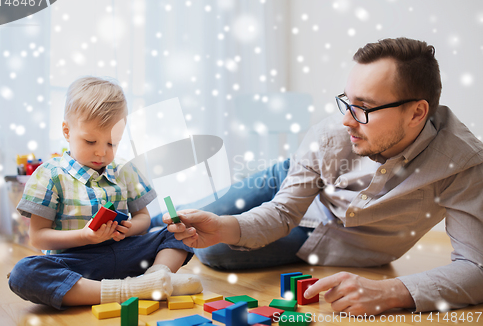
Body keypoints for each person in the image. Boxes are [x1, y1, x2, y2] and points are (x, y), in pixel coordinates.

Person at [161, 38, 483, 315]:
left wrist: (390, 292)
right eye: (347, 101)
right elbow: (283, 212)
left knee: (211, 249)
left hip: (345, 238)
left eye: (363, 107)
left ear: (417, 113)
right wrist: (222, 224)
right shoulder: (332, 135)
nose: (346, 120)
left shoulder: (463, 164)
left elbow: (475, 268)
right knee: (193, 219)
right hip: (296, 180)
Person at [8, 76, 202, 310]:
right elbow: (38, 237)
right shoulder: (49, 175)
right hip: (77, 265)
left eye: (112, 144)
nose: (101, 153)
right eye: (90, 141)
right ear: (67, 131)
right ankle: (134, 289)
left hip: (127, 253)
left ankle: (157, 275)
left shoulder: (125, 170)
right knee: (23, 273)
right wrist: (85, 236)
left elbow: (143, 218)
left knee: (179, 231)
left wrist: (132, 227)